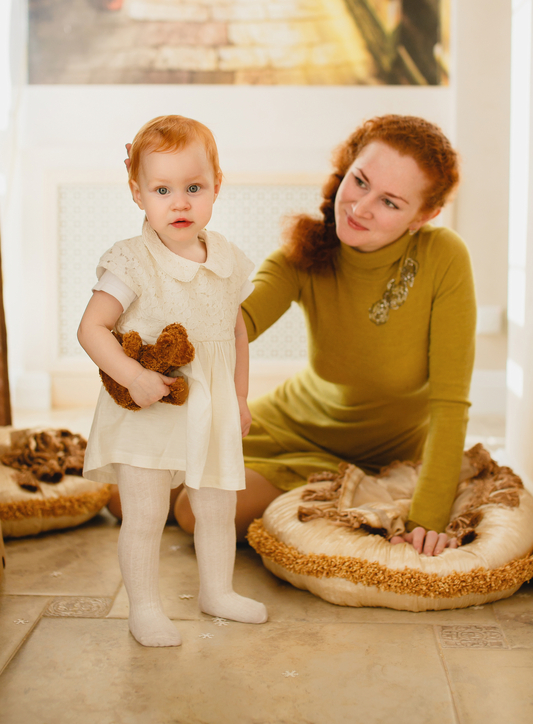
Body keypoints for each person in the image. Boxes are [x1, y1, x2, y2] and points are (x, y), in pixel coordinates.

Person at [174, 115, 476, 557]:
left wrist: (426, 518)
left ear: (423, 216)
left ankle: (313, 490)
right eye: (360, 181)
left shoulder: (443, 257)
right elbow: (229, 325)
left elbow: (450, 404)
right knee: (124, 496)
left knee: (194, 511)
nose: (360, 207)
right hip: (281, 421)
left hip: (364, 455)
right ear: (345, 169)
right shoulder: (303, 254)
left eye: (390, 202)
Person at [78, 115, 267, 648]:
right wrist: (134, 376)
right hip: (150, 405)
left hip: (211, 404)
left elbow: (236, 332)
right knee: (145, 513)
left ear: (216, 185)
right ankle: (144, 608)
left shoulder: (226, 258)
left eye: (193, 188)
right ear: (137, 192)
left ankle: (218, 591)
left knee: (216, 505)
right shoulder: (132, 261)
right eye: (162, 190)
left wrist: (239, 397)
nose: (179, 203)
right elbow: (92, 329)